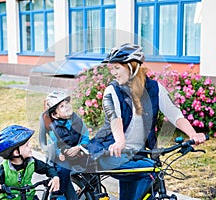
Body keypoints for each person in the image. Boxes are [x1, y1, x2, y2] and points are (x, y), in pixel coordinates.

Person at [88, 43, 207, 200]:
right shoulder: (112, 91)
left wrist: (193, 134)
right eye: (112, 68)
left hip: (138, 154)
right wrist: (119, 141)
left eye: (117, 68)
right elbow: (114, 118)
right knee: (148, 171)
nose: (113, 73)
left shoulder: (154, 89)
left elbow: (175, 114)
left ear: (132, 66)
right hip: (109, 151)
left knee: (139, 184)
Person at [0, 125, 62, 200]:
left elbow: (47, 168)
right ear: (16, 152)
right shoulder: (4, 169)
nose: (31, 146)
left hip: (29, 197)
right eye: (27, 145)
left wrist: (55, 177)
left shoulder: (31, 162)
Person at [41, 91, 90, 200]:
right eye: (62, 106)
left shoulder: (77, 121)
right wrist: (59, 154)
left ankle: (91, 189)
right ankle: (58, 193)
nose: (67, 107)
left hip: (77, 153)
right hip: (61, 157)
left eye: (67, 103)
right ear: (55, 114)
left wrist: (79, 147)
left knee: (93, 162)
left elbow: (85, 136)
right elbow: (52, 145)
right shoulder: (54, 128)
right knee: (63, 169)